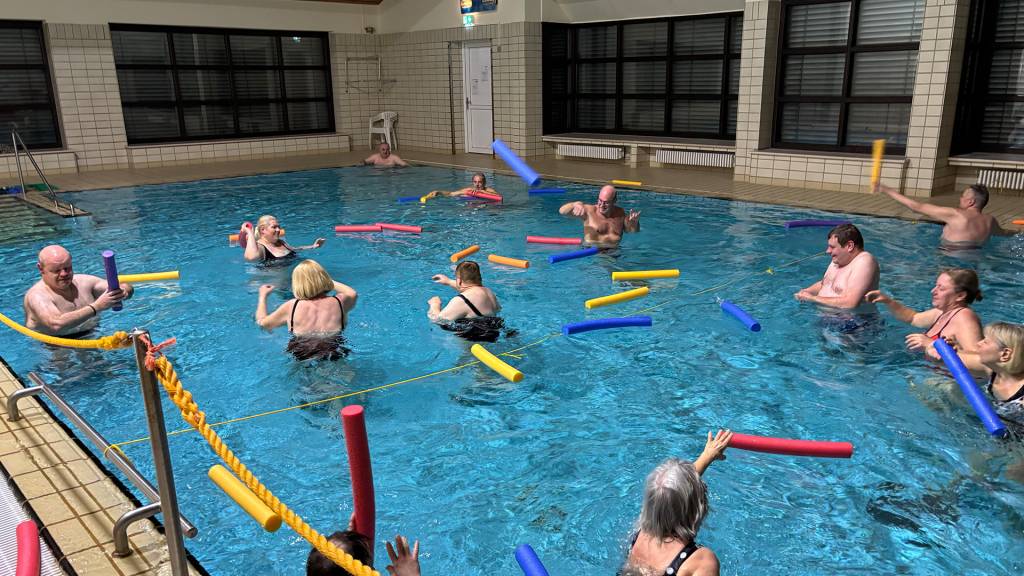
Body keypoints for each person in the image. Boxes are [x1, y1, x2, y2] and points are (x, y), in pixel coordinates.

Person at [620, 430, 733, 576]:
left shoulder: (640, 532)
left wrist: (707, 456)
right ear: (697, 508)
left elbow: (667, 493)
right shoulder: (701, 562)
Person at [255, 260, 357, 361]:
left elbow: (263, 323)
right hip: (335, 350)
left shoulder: (292, 306)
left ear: (297, 284)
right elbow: (352, 293)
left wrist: (262, 296)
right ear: (324, 278)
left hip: (302, 353)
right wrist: (327, 281)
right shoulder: (339, 302)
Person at [23, 245, 134, 337]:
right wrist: (97, 306)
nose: (64, 274)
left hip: (92, 334)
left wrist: (123, 292)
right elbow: (55, 324)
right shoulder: (37, 296)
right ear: (41, 268)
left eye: (67, 268)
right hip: (55, 346)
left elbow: (125, 286)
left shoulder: (84, 282)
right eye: (56, 270)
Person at [865, 269, 984, 355]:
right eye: (936, 286)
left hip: (948, 380)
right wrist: (888, 301)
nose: (933, 291)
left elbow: (978, 360)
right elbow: (913, 318)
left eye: (941, 288)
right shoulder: (941, 313)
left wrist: (931, 344)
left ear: (960, 295)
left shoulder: (964, 317)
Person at [931, 322, 1024, 427]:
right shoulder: (992, 370)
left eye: (985, 342)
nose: (978, 343)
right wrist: (950, 350)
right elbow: (940, 358)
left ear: (1005, 354)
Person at [875, 181, 1018, 249]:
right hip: (975, 261)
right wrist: (1018, 232)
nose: (960, 199)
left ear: (971, 202)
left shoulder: (956, 214)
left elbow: (915, 207)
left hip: (951, 258)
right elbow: (1005, 233)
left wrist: (886, 189)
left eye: (963, 196)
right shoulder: (990, 221)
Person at [794, 223, 879, 311]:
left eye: (832, 247)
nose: (828, 251)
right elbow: (825, 283)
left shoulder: (864, 261)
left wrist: (812, 298)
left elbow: (850, 303)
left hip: (854, 319)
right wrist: (807, 291)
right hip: (827, 316)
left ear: (850, 246)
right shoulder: (839, 259)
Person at [428, 260, 506, 342]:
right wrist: (449, 282)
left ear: (459, 281)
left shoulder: (461, 301)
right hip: (496, 333)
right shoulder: (489, 292)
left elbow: (437, 320)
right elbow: (471, 288)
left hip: (474, 342)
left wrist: (435, 304)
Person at [559, 185, 640, 247]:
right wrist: (575, 204)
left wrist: (635, 223)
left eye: (606, 202)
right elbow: (562, 211)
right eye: (600, 200)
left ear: (614, 201)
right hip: (591, 252)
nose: (601, 205)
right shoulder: (589, 211)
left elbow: (632, 231)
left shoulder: (620, 213)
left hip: (614, 253)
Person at [242, 215, 325, 265]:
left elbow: (295, 249)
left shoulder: (281, 242)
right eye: (274, 227)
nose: (278, 230)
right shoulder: (261, 247)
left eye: (279, 227)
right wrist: (250, 232)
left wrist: (313, 246)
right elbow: (251, 258)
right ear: (263, 230)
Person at [422, 172, 497, 200]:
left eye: (479, 182)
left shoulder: (489, 190)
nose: (477, 184)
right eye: (475, 182)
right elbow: (451, 193)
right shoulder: (468, 190)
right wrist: (439, 192)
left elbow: (499, 197)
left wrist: (482, 192)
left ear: (484, 183)